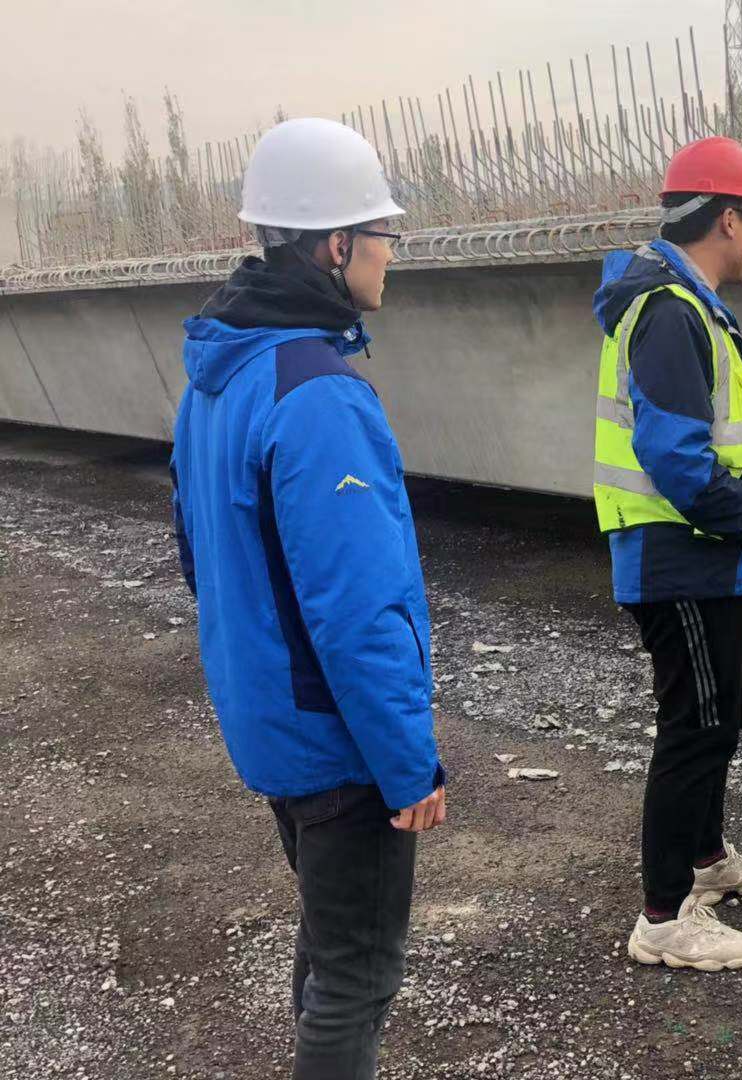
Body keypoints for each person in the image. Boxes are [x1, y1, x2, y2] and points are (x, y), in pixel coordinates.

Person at [169, 118, 445, 1079]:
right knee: (358, 976)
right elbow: (358, 610)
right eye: (382, 234)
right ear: (335, 246)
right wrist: (407, 764)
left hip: (274, 724)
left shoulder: (219, 376)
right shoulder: (318, 392)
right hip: (338, 743)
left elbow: (198, 557)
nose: (390, 253)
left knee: (332, 944)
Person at [593, 136, 742, 972]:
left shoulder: (686, 305)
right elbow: (673, 451)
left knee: (723, 707)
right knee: (696, 723)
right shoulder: (671, 310)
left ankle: (707, 861)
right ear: (729, 219)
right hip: (681, 553)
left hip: (698, 553)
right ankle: (664, 915)